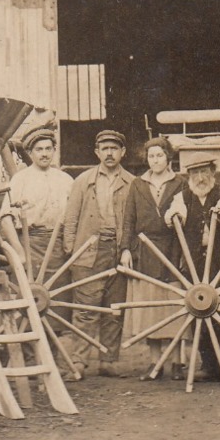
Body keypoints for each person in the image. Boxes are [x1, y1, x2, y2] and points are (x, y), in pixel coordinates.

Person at [61, 129, 134, 379]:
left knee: (114, 307)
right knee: (85, 307)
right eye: (105, 148)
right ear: (97, 152)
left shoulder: (132, 183)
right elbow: (70, 219)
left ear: (123, 152)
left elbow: (134, 222)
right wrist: (71, 251)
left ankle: (108, 361)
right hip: (88, 251)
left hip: (118, 250)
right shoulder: (83, 181)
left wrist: (127, 249)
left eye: (114, 148)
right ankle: (79, 362)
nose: (110, 153)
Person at [164, 152, 220, 382]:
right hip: (195, 264)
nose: (200, 178)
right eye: (195, 173)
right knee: (200, 312)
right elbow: (173, 213)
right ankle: (209, 366)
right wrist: (174, 216)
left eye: (204, 172)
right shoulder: (183, 197)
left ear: (212, 173)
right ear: (189, 176)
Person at [120, 135, 186, 379]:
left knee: (175, 305)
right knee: (150, 307)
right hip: (145, 250)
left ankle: (179, 362)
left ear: (168, 157)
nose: (155, 160)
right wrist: (125, 249)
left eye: (159, 155)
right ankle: (154, 362)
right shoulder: (138, 184)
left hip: (173, 248)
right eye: (151, 156)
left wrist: (184, 253)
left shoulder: (179, 183)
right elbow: (129, 220)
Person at [0, 124, 73, 280]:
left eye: (48, 149)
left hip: (59, 250)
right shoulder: (20, 179)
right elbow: (6, 219)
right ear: (30, 153)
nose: (44, 154)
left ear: (54, 150)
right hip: (30, 246)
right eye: (39, 150)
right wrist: (20, 253)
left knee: (59, 300)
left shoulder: (66, 180)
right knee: (31, 298)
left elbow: (74, 218)